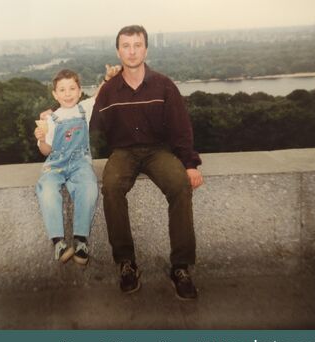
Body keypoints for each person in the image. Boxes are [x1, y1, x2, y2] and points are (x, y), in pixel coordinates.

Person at [90, 25, 204, 300]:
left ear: (146, 49)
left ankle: (180, 267)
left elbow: (181, 128)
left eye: (137, 45)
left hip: (158, 151)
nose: (131, 51)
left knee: (179, 185)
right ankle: (126, 263)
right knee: (111, 186)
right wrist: (54, 120)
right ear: (118, 51)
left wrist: (189, 164)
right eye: (126, 46)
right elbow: (92, 126)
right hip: (124, 152)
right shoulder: (109, 90)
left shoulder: (163, 85)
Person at [35, 66, 119, 265]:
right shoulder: (49, 119)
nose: (68, 94)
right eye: (62, 90)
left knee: (89, 187)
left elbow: (101, 95)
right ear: (55, 94)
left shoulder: (85, 108)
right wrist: (41, 139)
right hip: (55, 163)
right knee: (46, 189)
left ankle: (81, 239)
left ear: (80, 91)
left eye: (72, 88)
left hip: (80, 162)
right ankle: (58, 242)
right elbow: (45, 152)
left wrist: (107, 78)